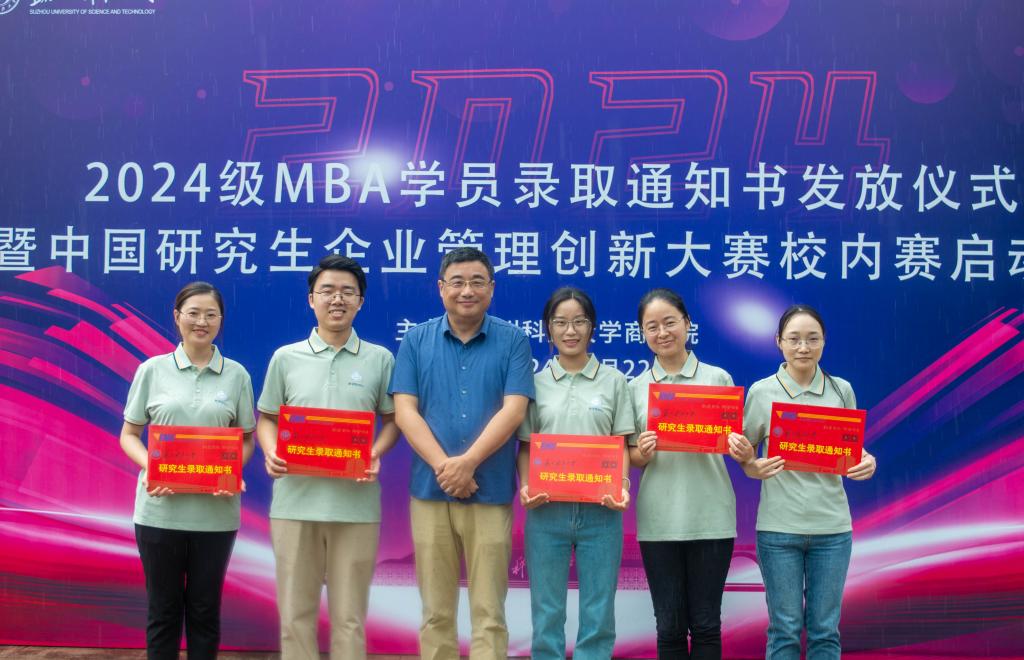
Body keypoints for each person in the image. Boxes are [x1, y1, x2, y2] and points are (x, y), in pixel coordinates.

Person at [389, 247, 535, 660]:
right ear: (441, 288)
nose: (467, 290)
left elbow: (514, 410)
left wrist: (468, 463)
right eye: (457, 282)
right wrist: (446, 467)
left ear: (492, 288)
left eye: (476, 282)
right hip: (430, 492)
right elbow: (405, 411)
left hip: (490, 492)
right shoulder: (416, 340)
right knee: (436, 612)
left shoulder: (513, 341)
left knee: (489, 611)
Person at [255, 254, 399, 660]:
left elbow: (393, 421)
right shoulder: (286, 357)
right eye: (328, 291)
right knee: (295, 615)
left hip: (355, 506)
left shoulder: (380, 359)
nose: (338, 299)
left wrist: (375, 452)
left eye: (348, 292)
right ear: (311, 299)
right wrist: (271, 451)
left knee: (349, 618)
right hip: (294, 504)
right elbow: (266, 419)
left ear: (360, 301)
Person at [119, 281, 256, 660]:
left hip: (216, 516)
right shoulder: (152, 370)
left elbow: (246, 439)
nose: (202, 321)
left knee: (204, 610)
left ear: (221, 320)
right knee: (163, 611)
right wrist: (153, 467)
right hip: (158, 512)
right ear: (177, 317)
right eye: (193, 313)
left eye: (211, 314)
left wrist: (232, 470)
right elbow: (129, 435)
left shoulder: (237, 375)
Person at [734, 304, 877, 660]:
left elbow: (851, 450)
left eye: (812, 339)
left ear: (824, 342)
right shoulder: (762, 392)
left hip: (833, 530)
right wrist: (752, 465)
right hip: (778, 530)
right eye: (794, 339)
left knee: (825, 631)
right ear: (778, 342)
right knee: (784, 629)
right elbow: (746, 457)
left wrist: (867, 461)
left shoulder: (841, 390)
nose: (803, 347)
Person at [627, 288, 753, 660]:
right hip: (659, 521)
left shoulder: (717, 379)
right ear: (642, 333)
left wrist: (741, 449)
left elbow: (736, 444)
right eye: (652, 326)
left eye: (670, 322)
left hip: (710, 517)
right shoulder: (635, 388)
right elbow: (630, 457)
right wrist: (642, 452)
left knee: (706, 624)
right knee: (668, 628)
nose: (662, 332)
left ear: (687, 324)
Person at [517, 286, 634, 660]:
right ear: (548, 329)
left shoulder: (614, 381)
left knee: (598, 612)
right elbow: (526, 445)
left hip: (602, 511)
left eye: (579, 321)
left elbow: (620, 443)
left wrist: (622, 486)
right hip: (546, 511)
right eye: (560, 322)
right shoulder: (534, 383)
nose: (570, 331)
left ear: (592, 327)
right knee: (547, 610)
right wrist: (526, 486)